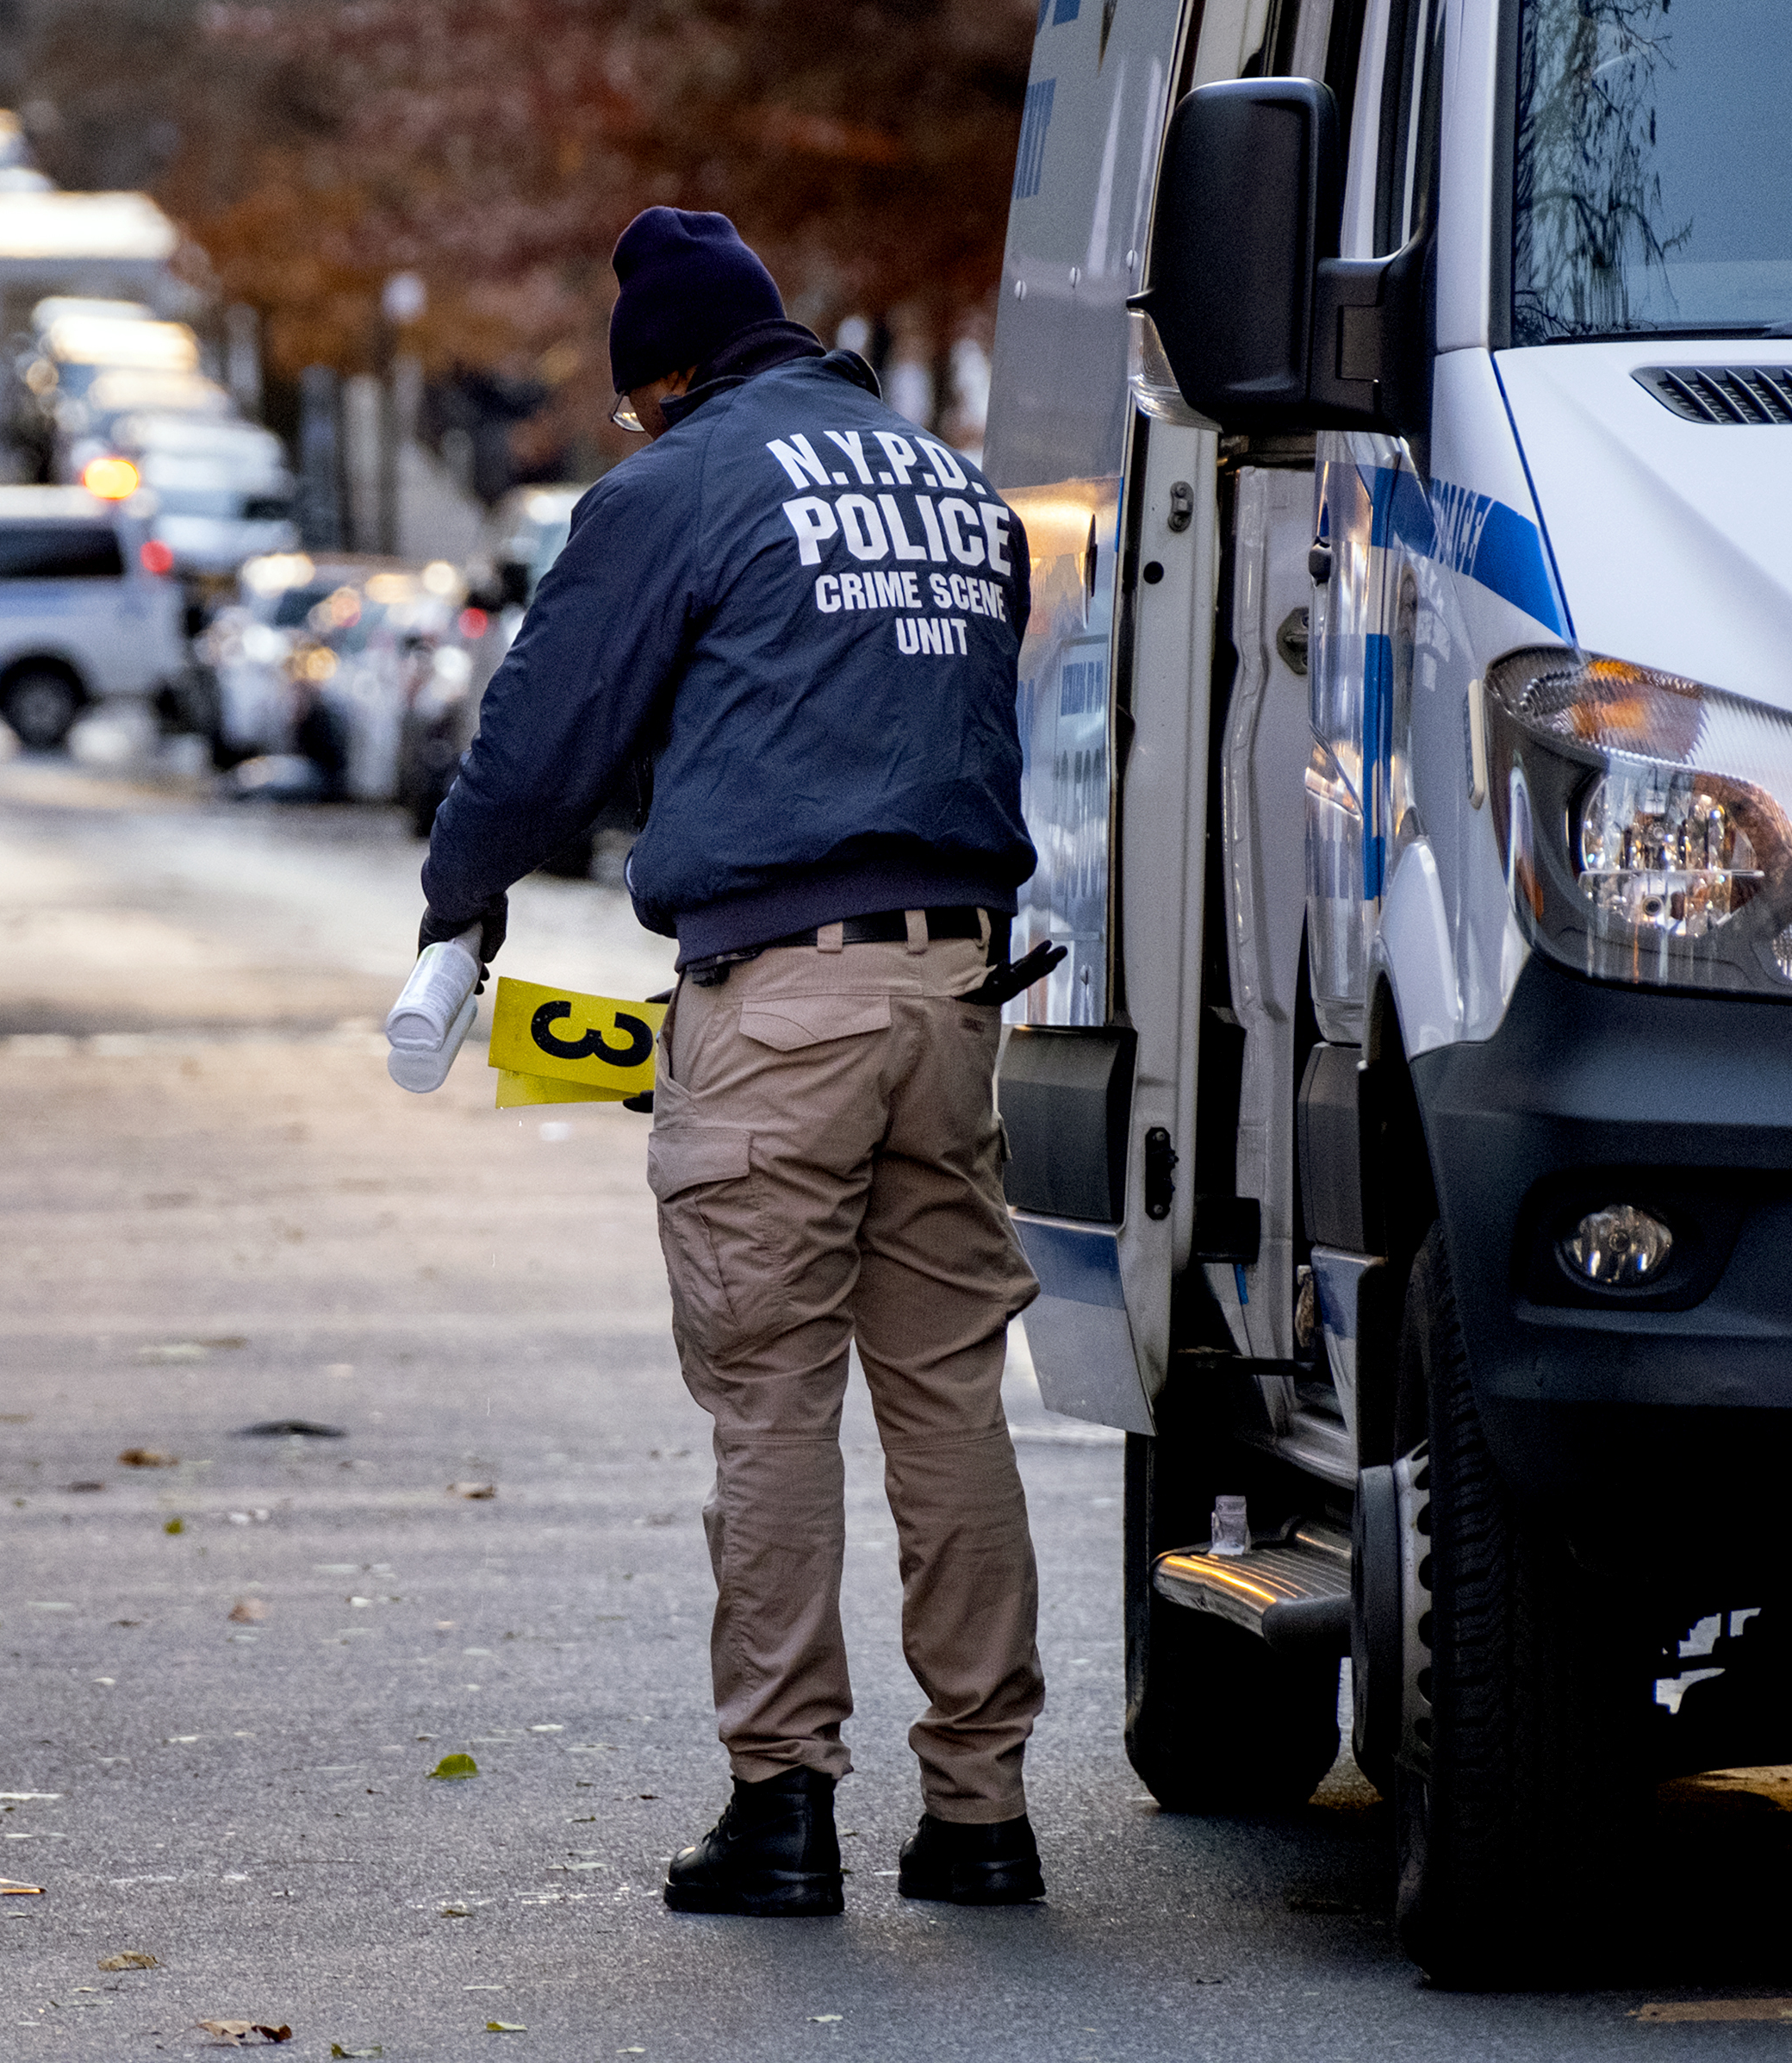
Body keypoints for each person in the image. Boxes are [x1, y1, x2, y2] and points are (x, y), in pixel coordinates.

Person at [418, 206, 1045, 1919]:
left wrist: (459, 896)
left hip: (781, 1001)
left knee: (771, 1397)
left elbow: (542, 739)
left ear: (675, 375)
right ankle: (983, 1811)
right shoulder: (947, 486)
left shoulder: (681, 486)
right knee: (948, 1397)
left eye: (637, 401)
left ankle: (782, 1806)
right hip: (954, 990)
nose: (634, 426)